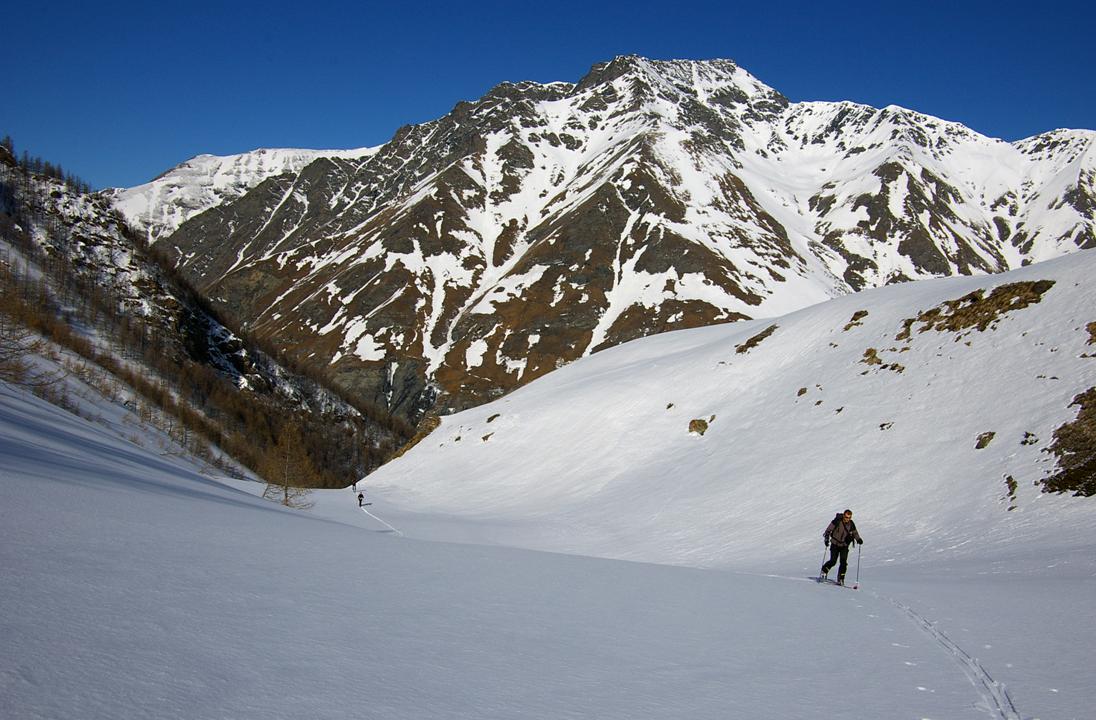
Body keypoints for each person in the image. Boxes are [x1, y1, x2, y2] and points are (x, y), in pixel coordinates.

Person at [821, 509, 863, 585]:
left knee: (843, 562)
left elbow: (855, 533)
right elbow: (828, 530)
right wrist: (826, 539)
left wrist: (858, 539)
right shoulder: (837, 521)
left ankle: (841, 578)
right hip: (835, 544)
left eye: (849, 517)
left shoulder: (851, 524)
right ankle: (824, 571)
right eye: (847, 517)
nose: (848, 519)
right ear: (844, 515)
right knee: (833, 561)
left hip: (844, 545)